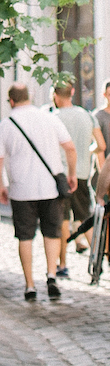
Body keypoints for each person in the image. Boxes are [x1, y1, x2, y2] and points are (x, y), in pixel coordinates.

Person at [0, 84, 77, 301]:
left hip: (21, 190)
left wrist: (1, 185)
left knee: (25, 237)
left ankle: (30, 285)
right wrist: (71, 174)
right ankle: (51, 275)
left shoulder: (5, 125)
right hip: (50, 187)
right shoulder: (49, 118)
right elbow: (70, 147)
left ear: (11, 101)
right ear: (29, 97)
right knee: (52, 233)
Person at [46, 74, 104, 274]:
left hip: (61, 175)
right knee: (84, 217)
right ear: (72, 92)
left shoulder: (54, 118)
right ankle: (98, 260)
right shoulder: (88, 115)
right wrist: (87, 150)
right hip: (82, 173)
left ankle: (62, 265)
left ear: (55, 95)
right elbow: (101, 145)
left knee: (62, 220)